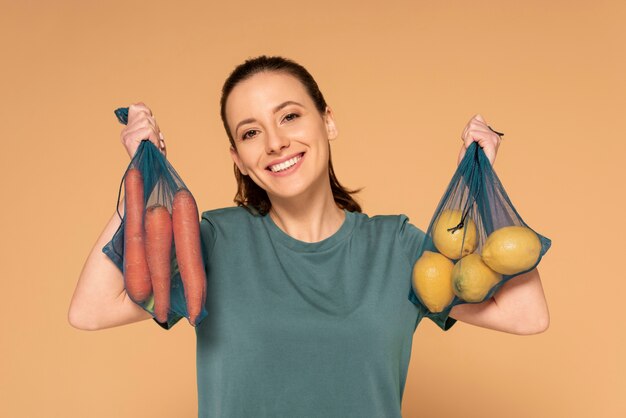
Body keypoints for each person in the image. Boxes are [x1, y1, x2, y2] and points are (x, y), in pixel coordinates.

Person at [68, 55, 549, 417]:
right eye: (251, 132)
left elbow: (526, 316)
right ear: (238, 159)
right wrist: (139, 179)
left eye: (290, 116)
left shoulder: (398, 249)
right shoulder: (212, 242)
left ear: (328, 120)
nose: (275, 141)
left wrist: (483, 184)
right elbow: (91, 310)